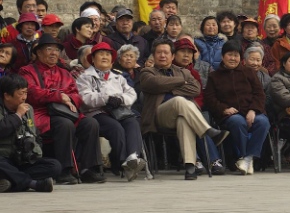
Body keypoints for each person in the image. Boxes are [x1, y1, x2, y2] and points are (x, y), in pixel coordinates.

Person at [139, 38, 229, 180]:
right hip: (159, 116)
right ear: (154, 55)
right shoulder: (147, 72)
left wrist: (168, 87)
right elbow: (155, 83)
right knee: (180, 100)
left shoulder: (183, 71)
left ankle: (190, 166)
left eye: (166, 53)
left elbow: (195, 89)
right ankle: (208, 131)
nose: (162, 55)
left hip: (180, 115)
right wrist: (181, 82)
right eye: (159, 52)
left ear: (172, 56)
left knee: (183, 120)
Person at [19, 34, 103, 184]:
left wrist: (69, 99)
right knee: (65, 124)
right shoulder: (27, 71)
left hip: (65, 111)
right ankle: (64, 170)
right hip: (41, 113)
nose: (53, 53)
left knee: (91, 123)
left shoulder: (64, 72)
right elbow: (31, 92)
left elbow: (76, 94)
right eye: (49, 49)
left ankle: (88, 169)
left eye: (57, 50)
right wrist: (58, 96)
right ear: (38, 53)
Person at [75, 42, 147, 181]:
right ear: (93, 59)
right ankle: (122, 163)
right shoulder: (84, 77)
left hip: (118, 111)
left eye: (108, 54)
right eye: (101, 54)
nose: (105, 57)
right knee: (116, 128)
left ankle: (132, 157)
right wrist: (106, 99)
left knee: (132, 122)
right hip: (97, 112)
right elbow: (85, 98)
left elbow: (131, 94)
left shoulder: (118, 77)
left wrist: (120, 99)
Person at [204, 41, 268, 175]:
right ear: (222, 57)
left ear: (241, 57)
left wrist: (253, 110)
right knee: (237, 121)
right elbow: (210, 99)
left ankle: (248, 159)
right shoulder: (214, 76)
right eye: (230, 55)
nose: (233, 58)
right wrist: (223, 109)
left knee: (263, 122)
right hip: (229, 115)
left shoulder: (249, 72)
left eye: (236, 55)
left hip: (251, 111)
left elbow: (259, 94)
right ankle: (245, 156)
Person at [0, 74, 59, 193]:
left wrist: (34, 150)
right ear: (7, 96)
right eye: (20, 93)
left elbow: (36, 134)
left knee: (54, 166)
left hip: (22, 160)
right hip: (3, 158)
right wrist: (17, 115)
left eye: (26, 93)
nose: (24, 98)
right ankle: (33, 184)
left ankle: (10, 182)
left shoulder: (28, 109)